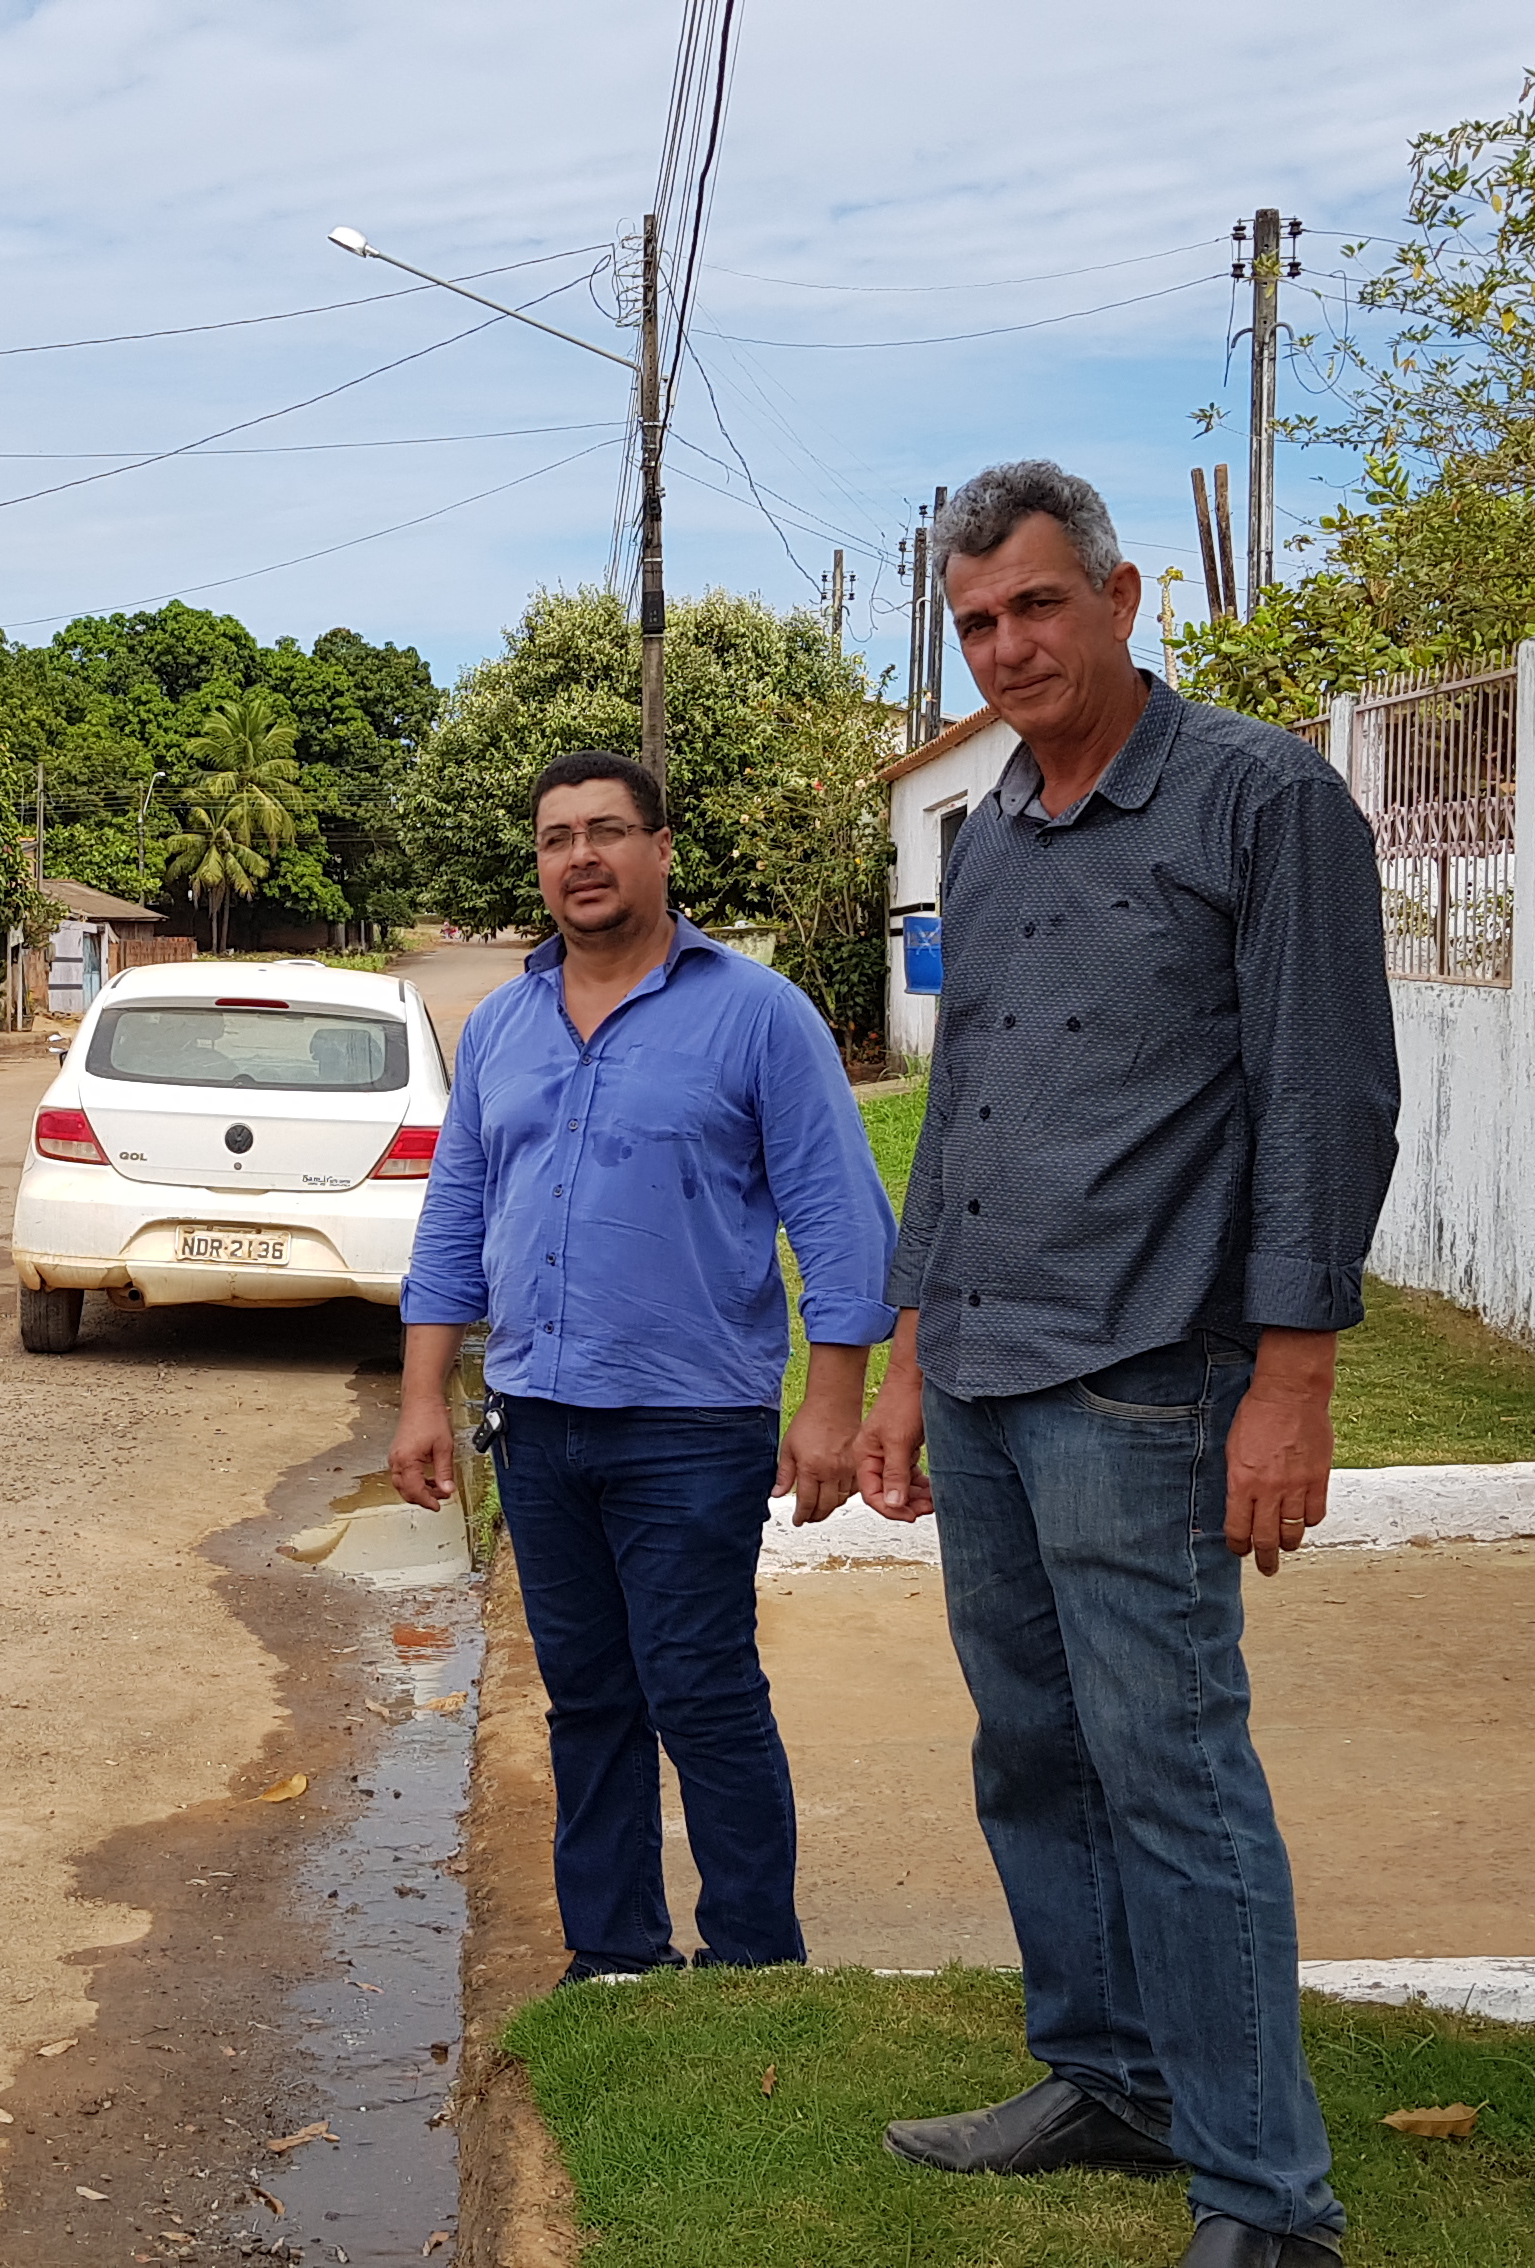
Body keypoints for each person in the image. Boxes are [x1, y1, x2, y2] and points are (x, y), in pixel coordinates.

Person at [854, 463, 1398, 2268]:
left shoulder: (1260, 798)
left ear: (1119, 596)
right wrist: (911, 1352)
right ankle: (1106, 2074)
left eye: (1033, 608)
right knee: (1032, 1751)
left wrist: (1292, 1378)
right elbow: (962, 1112)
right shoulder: (989, 830)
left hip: (1150, 1378)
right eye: (976, 623)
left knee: (1173, 1774)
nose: (1005, 647)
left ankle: (1263, 2198)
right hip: (994, 1370)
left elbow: (1326, 1099)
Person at [393, 749, 899, 1982]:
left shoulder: (756, 1013)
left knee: (702, 1688)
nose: (582, 857)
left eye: (608, 831)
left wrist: (835, 1407)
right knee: (587, 1697)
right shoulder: (504, 1023)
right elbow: (458, 1212)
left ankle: (752, 1959)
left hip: (691, 1420)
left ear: (662, 850)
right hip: (537, 1418)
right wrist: (422, 1398)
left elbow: (840, 1220)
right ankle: (614, 1951)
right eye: (558, 837)